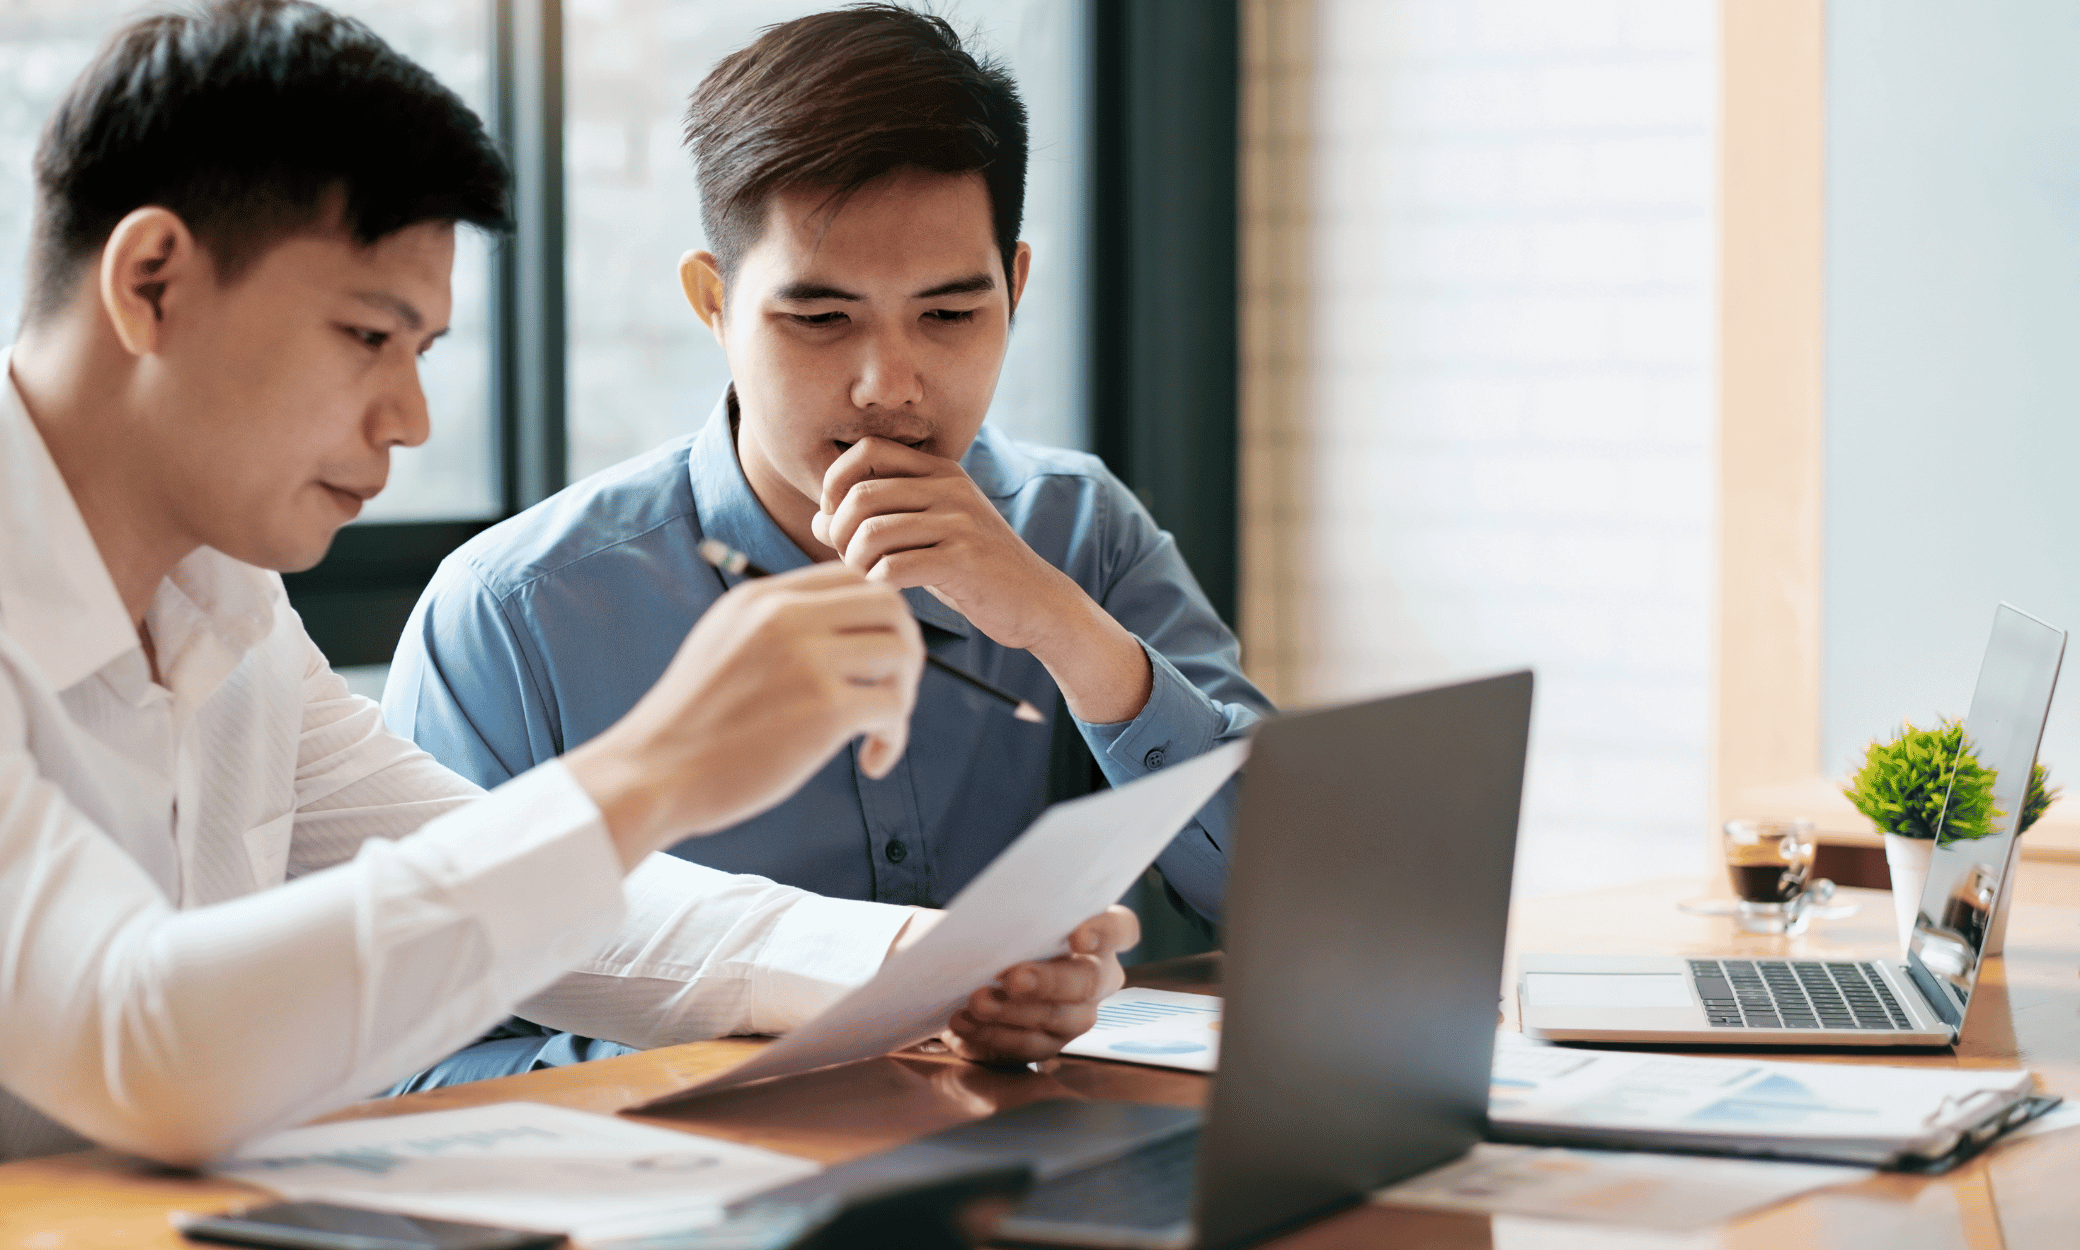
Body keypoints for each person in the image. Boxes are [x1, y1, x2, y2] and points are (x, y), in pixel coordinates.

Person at [0, 0, 1134, 1166]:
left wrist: (938, 962)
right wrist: (666, 762)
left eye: (425, 351)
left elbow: (543, 901)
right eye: (366, 336)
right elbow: (140, 1042)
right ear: (150, 282)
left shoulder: (225, 604)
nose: (410, 419)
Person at [385, 5, 1270, 1086]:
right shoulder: (516, 612)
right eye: (819, 319)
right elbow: (407, 1071)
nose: (888, 386)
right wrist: (786, 1023)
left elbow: (1305, 902)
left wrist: (1066, 630)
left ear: (1017, 290)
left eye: (948, 316)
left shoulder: (1081, 530)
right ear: (714, 301)